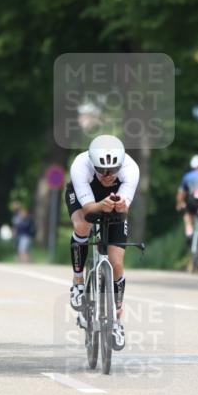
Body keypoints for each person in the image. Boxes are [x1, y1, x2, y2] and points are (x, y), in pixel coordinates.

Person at [64, 134, 140, 351]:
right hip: (85, 198)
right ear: (92, 163)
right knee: (82, 226)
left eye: (113, 171)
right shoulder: (80, 165)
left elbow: (123, 211)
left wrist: (117, 206)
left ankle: (116, 321)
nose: (108, 175)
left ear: (121, 165)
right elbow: (88, 210)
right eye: (102, 170)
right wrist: (101, 206)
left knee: (116, 262)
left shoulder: (131, 169)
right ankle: (78, 283)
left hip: (115, 202)